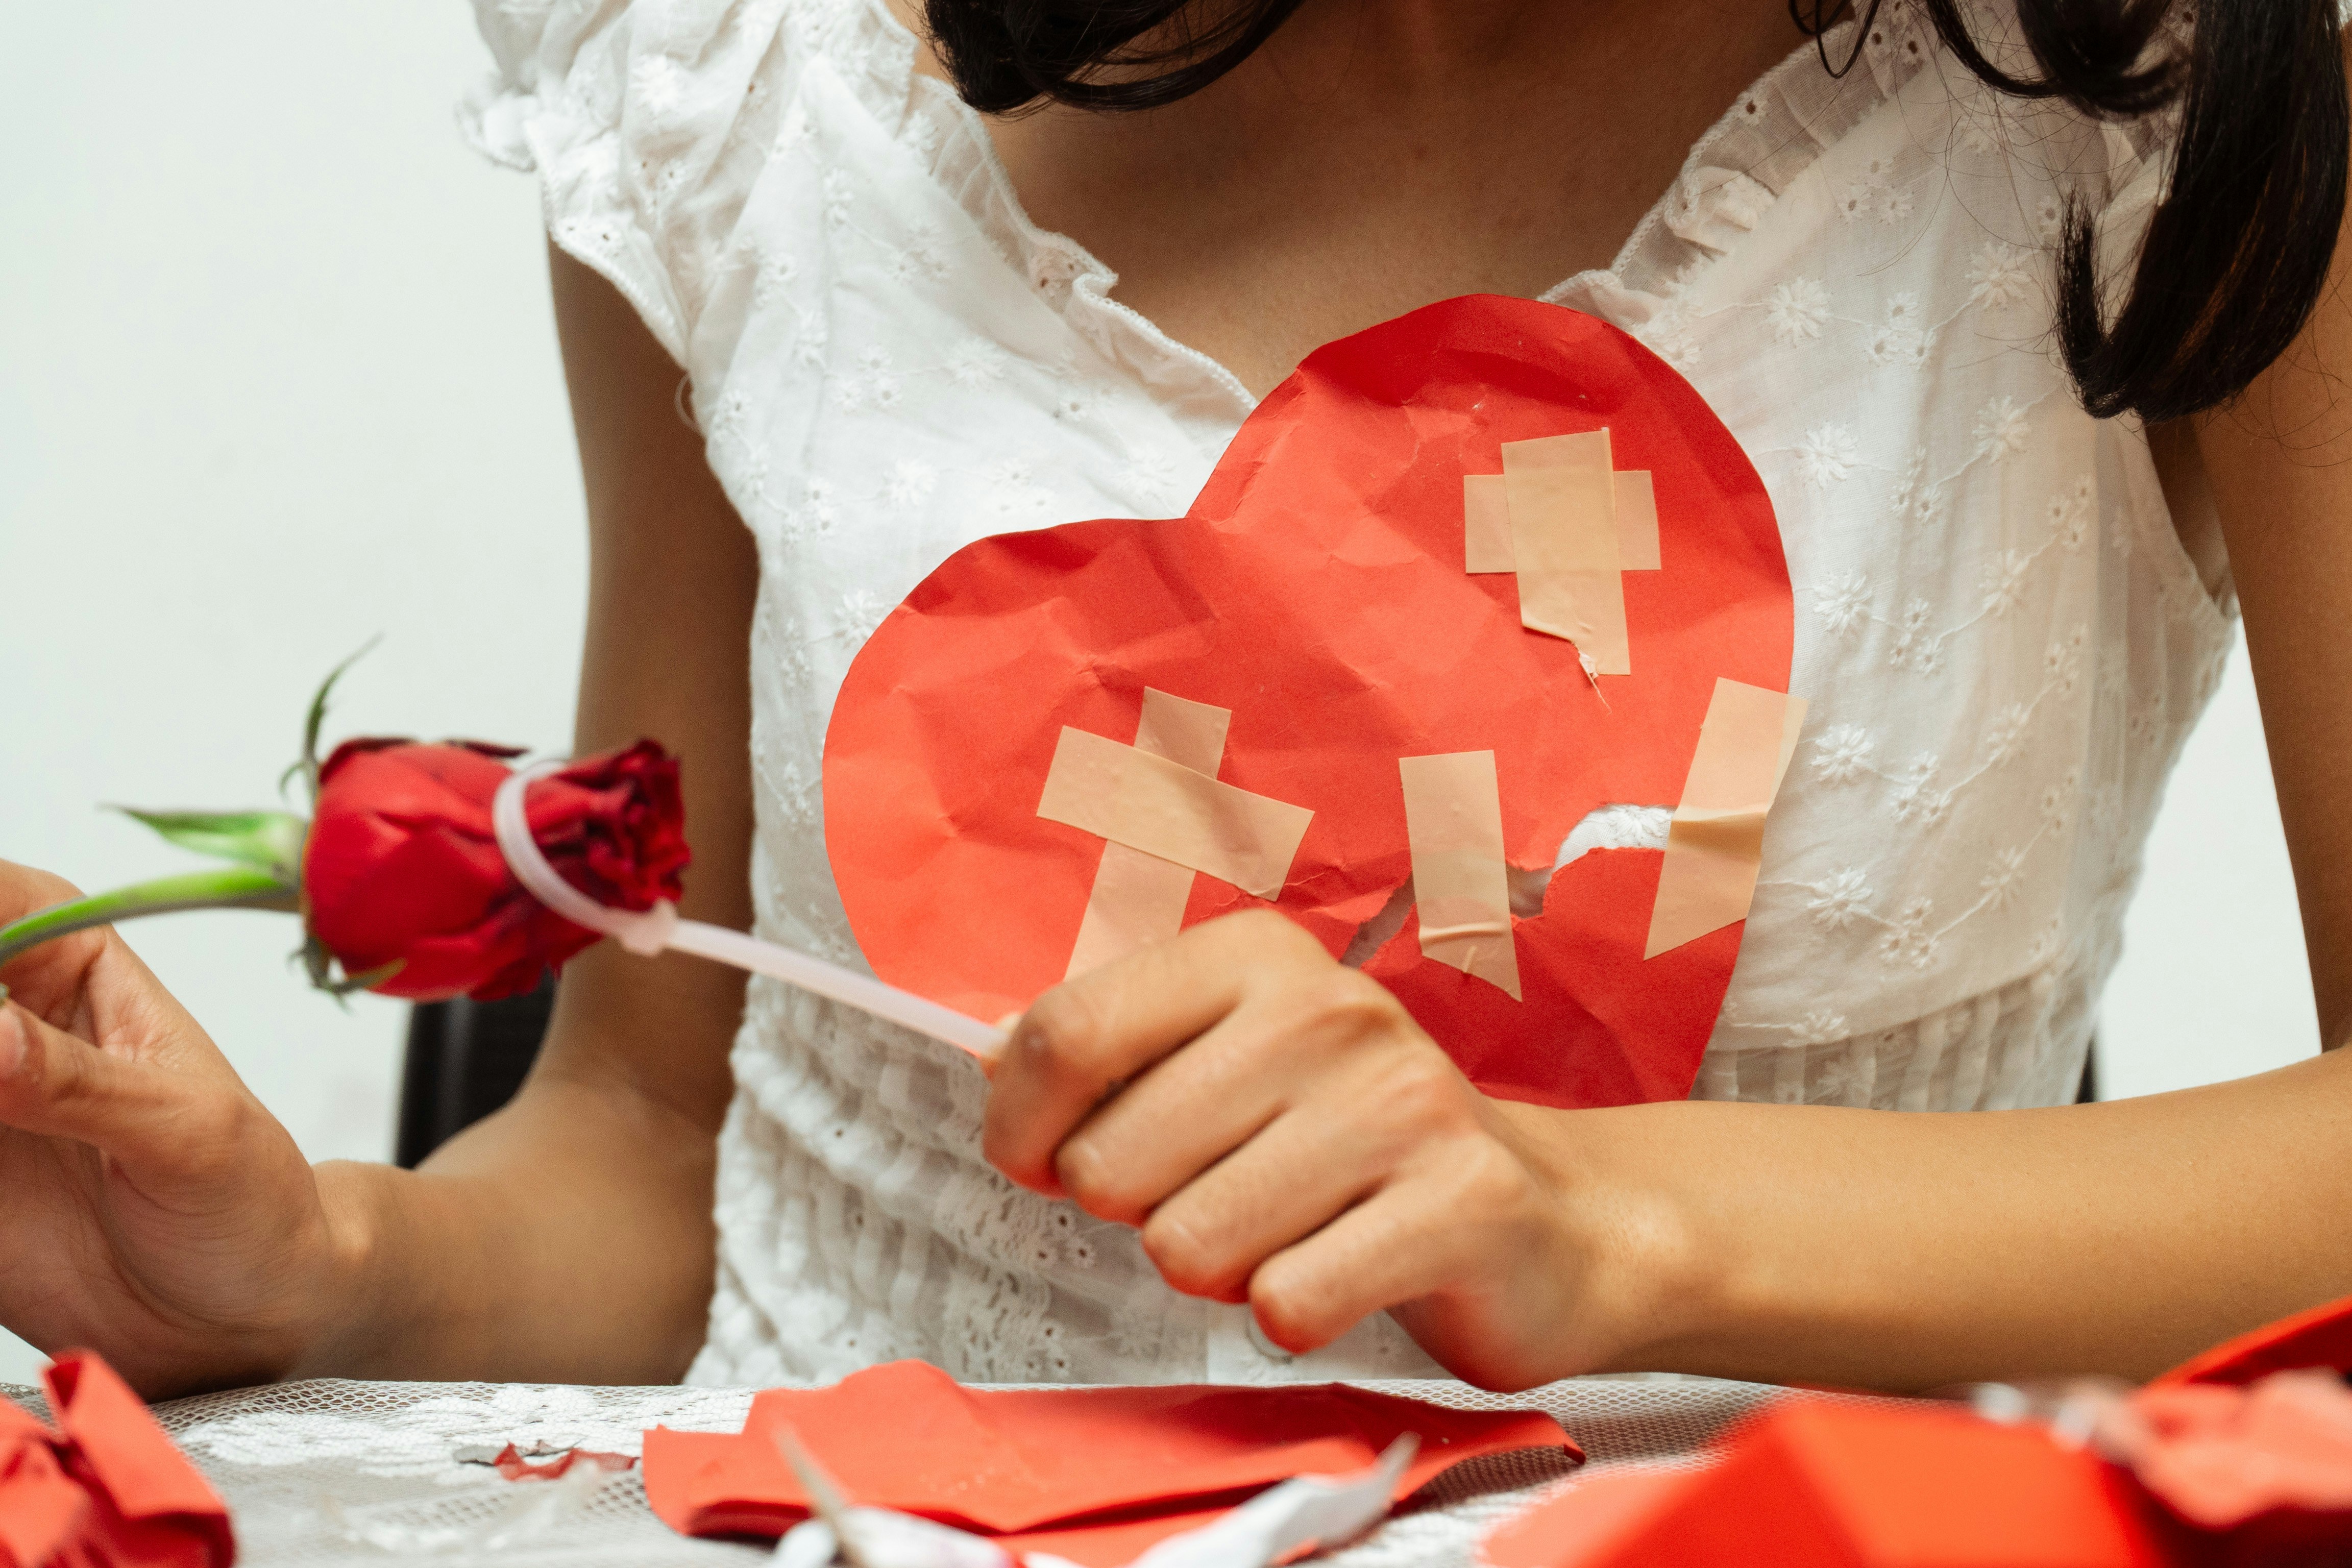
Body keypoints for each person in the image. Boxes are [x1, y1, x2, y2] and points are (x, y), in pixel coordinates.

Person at [3, 0, 2349, 1400]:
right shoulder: (734, 73)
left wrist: (1609, 1219)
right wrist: (323, 1263)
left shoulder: (2172, 98)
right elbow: (643, 1141)